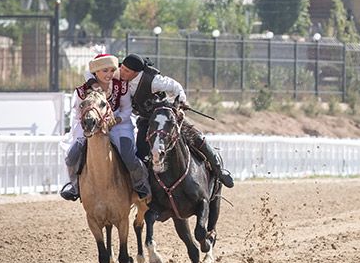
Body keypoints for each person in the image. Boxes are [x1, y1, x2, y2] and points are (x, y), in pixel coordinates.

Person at [120, 53, 234, 188]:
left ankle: (219, 170)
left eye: (126, 71)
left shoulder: (153, 81)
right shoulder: (119, 74)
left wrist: (180, 104)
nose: (121, 72)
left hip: (166, 118)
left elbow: (176, 87)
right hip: (146, 120)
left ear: (136, 72)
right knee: (140, 152)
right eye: (121, 68)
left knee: (197, 138)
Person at [59, 52, 151, 201]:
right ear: (95, 72)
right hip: (88, 126)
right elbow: (77, 112)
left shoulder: (121, 87)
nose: (109, 74)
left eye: (112, 70)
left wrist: (113, 121)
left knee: (128, 156)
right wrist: (90, 124)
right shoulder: (82, 91)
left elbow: (126, 110)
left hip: (118, 124)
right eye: (105, 71)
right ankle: (74, 186)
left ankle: (140, 185)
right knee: (71, 156)